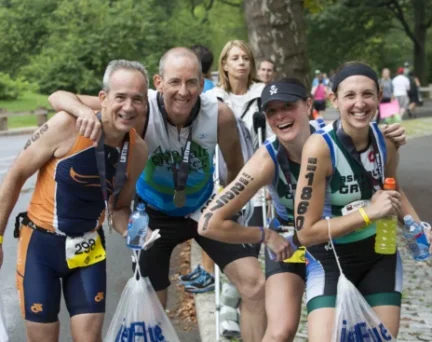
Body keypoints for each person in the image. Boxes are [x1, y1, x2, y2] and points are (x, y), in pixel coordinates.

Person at [48, 47, 267, 342]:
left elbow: (238, 171)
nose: (183, 91)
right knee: (152, 306)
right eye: (174, 82)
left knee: (255, 284)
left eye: (192, 82)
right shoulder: (141, 107)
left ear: (202, 85)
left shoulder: (220, 115)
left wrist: (224, 203)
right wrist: (85, 112)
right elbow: (58, 97)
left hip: (203, 209)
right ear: (158, 82)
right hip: (153, 213)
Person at [197, 77, 407, 342]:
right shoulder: (267, 159)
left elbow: (382, 172)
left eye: (288, 106)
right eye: (271, 111)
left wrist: (390, 135)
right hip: (290, 243)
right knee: (280, 330)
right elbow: (208, 223)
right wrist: (265, 235)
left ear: (308, 105)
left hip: (333, 244)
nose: (281, 116)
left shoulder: (333, 137)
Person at [0, 60, 149, 342]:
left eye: (137, 99)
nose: (128, 107)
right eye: (120, 97)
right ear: (103, 98)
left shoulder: (138, 151)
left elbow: (118, 207)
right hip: (40, 248)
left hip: (88, 249)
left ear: (144, 104)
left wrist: (133, 231)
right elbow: (15, 175)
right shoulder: (67, 125)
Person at [294, 61, 424, 341]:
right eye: (350, 96)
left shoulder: (385, 140)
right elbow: (306, 232)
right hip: (331, 259)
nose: (359, 103)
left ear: (379, 96)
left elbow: (394, 191)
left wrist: (418, 227)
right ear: (335, 100)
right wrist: (368, 213)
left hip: (380, 254)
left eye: (367, 94)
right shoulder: (319, 148)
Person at [208, 39, 268, 337]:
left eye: (246, 57)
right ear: (225, 64)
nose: (242, 63)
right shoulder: (213, 98)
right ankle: (232, 304)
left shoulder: (263, 96)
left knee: (251, 251)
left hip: (258, 185)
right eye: (235, 58)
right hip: (225, 183)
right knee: (234, 247)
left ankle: (232, 304)